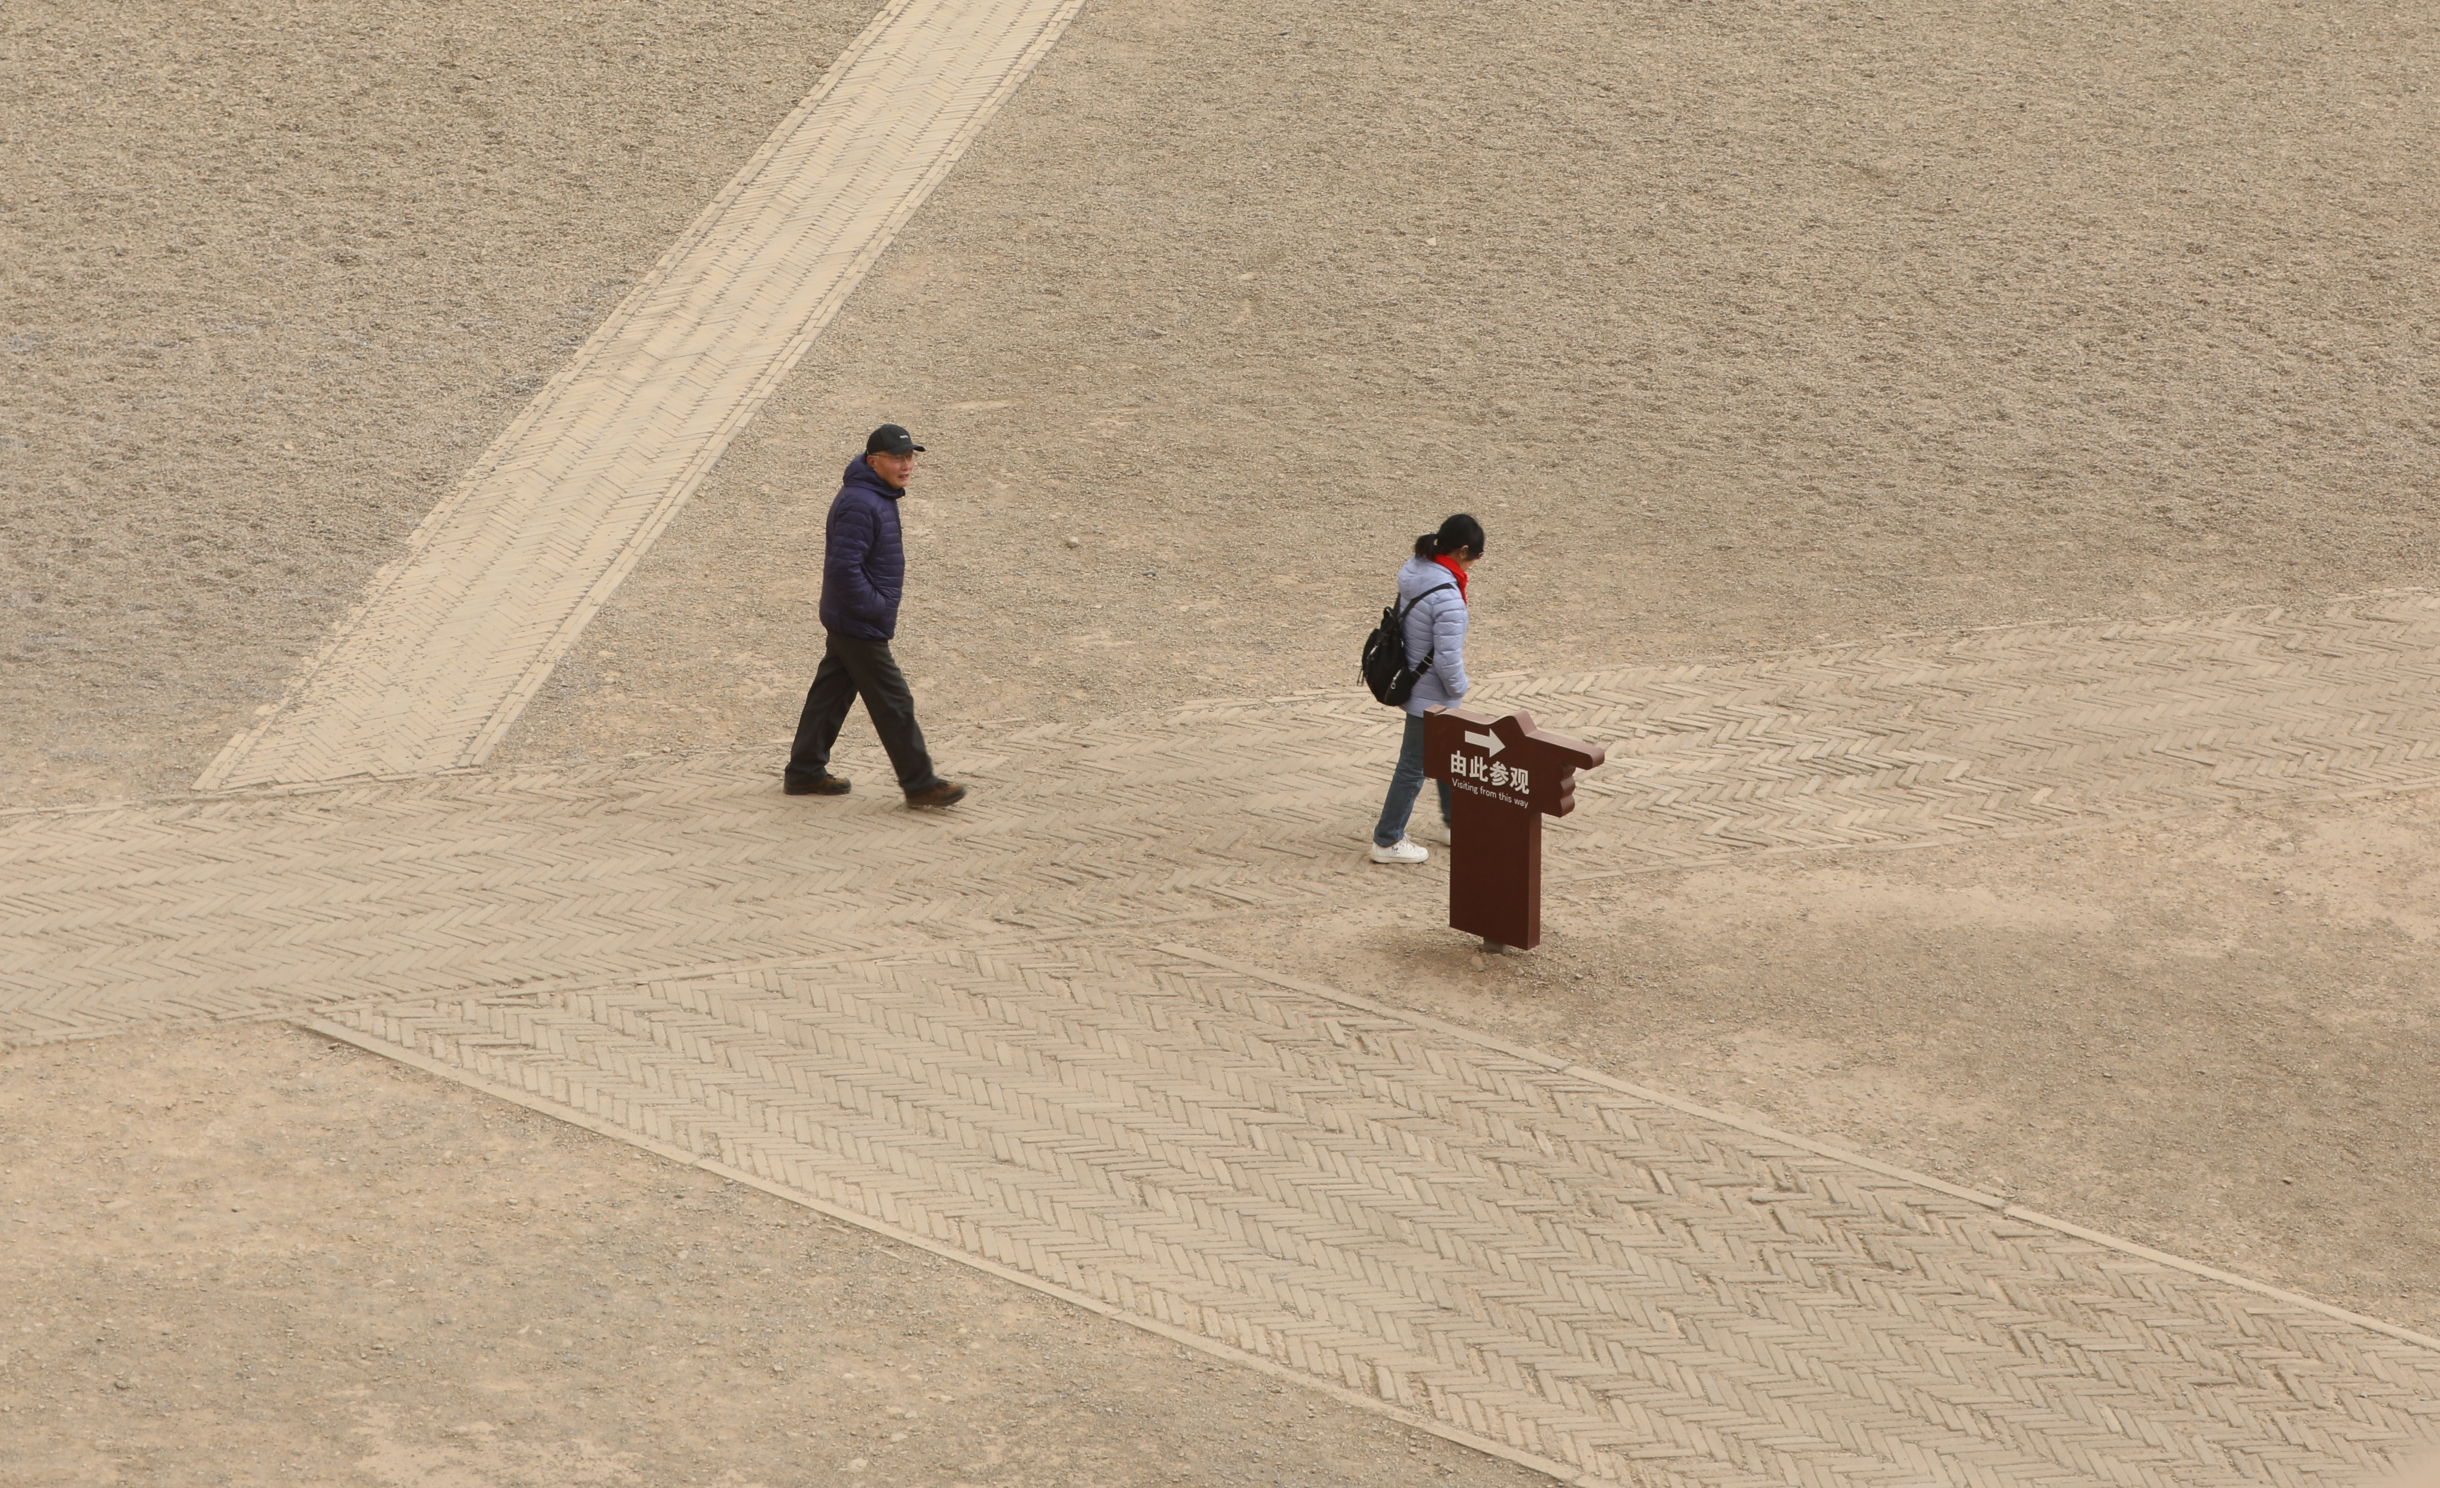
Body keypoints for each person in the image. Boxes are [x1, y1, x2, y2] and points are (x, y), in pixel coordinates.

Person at [784, 424, 967, 808]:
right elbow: (843, 569)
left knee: (830, 695)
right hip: (857, 621)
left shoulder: (875, 496)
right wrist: (875, 607)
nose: (906, 465)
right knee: (894, 701)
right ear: (873, 462)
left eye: (910, 457)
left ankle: (804, 771)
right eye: (897, 458)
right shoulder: (861, 503)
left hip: (849, 618)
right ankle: (919, 783)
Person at [1370, 514, 1483, 863]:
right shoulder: (1448, 597)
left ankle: (1454, 822)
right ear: (1463, 551)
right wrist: (1460, 688)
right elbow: (1447, 660)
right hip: (1431, 693)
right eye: (1478, 555)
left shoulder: (1417, 570)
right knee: (1414, 766)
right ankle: (1387, 840)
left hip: (1413, 677)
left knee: (1448, 756)